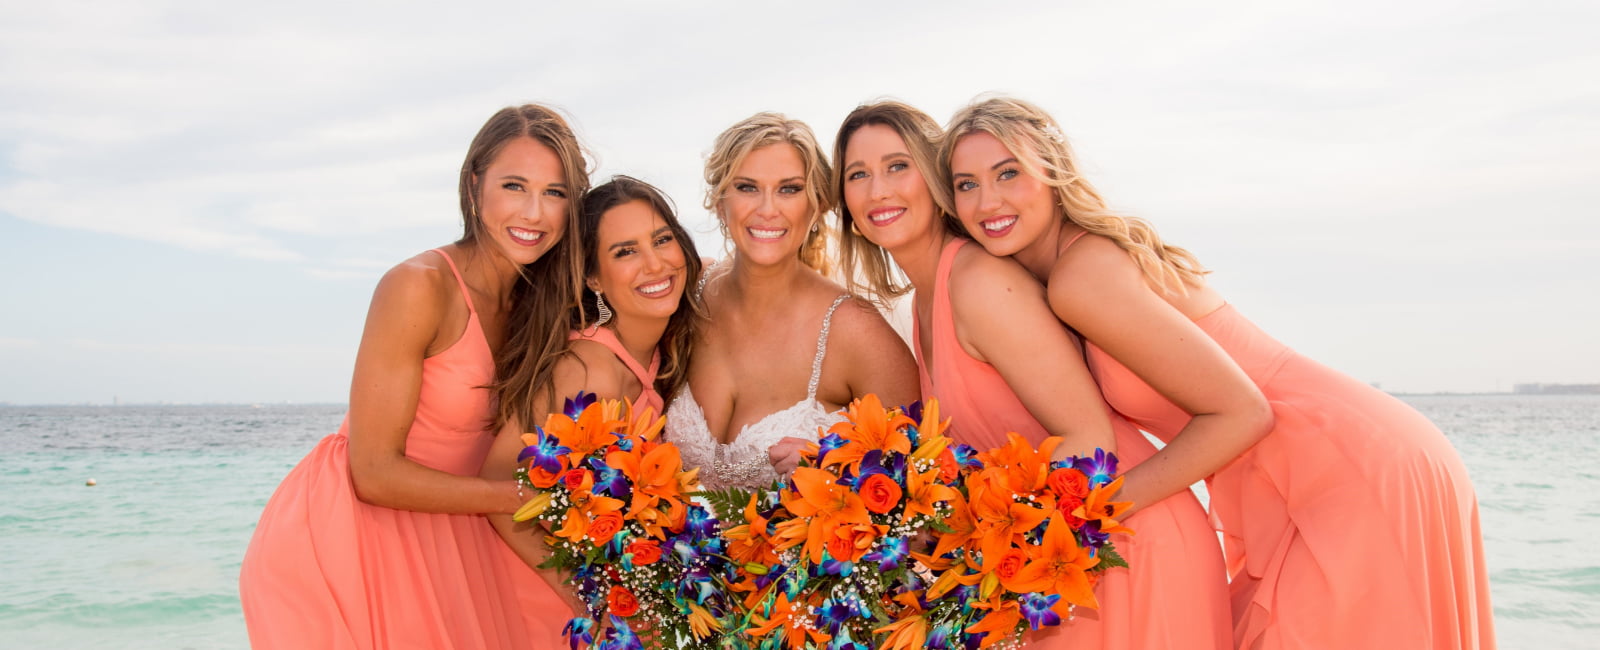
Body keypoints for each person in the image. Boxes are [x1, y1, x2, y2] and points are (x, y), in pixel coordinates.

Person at [943, 96, 1495, 650]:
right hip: (1316, 474)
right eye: (966, 184)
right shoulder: (1065, 275)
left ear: (1053, 172)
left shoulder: (1081, 278)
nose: (988, 200)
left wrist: (1085, 516)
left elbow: (1244, 412)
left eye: (1007, 173)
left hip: (1349, 465)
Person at [833, 100, 1230, 649]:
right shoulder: (928, 296)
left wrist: (1002, 554)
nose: (878, 190)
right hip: (1062, 563)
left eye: (898, 166)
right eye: (859, 174)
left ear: (935, 178)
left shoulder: (978, 282)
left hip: (1125, 549)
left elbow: (1088, 437)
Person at [239, 104, 590, 649]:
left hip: (461, 535)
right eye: (515, 186)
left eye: (556, 193)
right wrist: (523, 497)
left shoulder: (545, 302)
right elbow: (373, 473)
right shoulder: (417, 287)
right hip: (358, 537)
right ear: (475, 188)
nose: (534, 212)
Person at [479, 175, 701, 610]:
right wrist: (593, 607)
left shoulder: (657, 349)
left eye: (662, 240)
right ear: (595, 279)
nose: (655, 264)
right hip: (546, 602)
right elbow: (495, 487)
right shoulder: (587, 368)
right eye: (625, 252)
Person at [664, 112, 919, 490]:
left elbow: (921, 477)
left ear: (816, 206)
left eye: (789, 189)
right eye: (748, 187)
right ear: (720, 202)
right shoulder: (685, 298)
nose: (768, 209)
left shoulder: (855, 330)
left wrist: (839, 471)